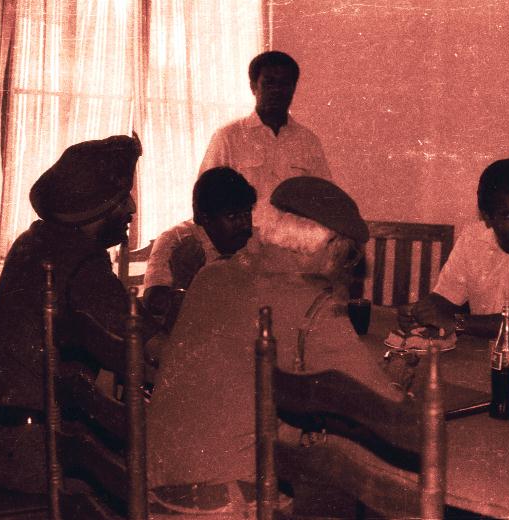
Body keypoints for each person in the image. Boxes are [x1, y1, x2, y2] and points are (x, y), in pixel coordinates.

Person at [146, 177, 401, 518]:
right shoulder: (311, 303)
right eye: (349, 256)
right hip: (225, 503)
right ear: (329, 245)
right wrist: (397, 382)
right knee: (360, 493)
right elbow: (388, 411)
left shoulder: (212, 275)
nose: (347, 269)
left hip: (157, 486)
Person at [0, 134, 162, 494]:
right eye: (121, 197)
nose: (131, 207)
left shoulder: (35, 240)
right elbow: (154, 352)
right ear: (96, 206)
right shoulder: (83, 264)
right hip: (36, 455)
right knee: (163, 474)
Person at [400, 158, 509, 338]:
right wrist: (421, 312)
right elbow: (447, 296)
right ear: (487, 216)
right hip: (481, 350)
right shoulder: (472, 238)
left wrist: (457, 323)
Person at [199, 50, 332, 219]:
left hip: (297, 235)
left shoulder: (308, 141)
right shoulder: (228, 138)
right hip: (247, 235)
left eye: (284, 83)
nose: (277, 90)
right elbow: (206, 199)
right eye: (269, 83)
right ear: (253, 86)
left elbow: (326, 199)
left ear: (293, 88)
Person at [143, 167, 257, 319]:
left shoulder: (255, 238)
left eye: (247, 213)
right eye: (232, 216)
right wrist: (185, 281)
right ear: (205, 218)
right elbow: (155, 306)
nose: (245, 224)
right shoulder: (175, 240)